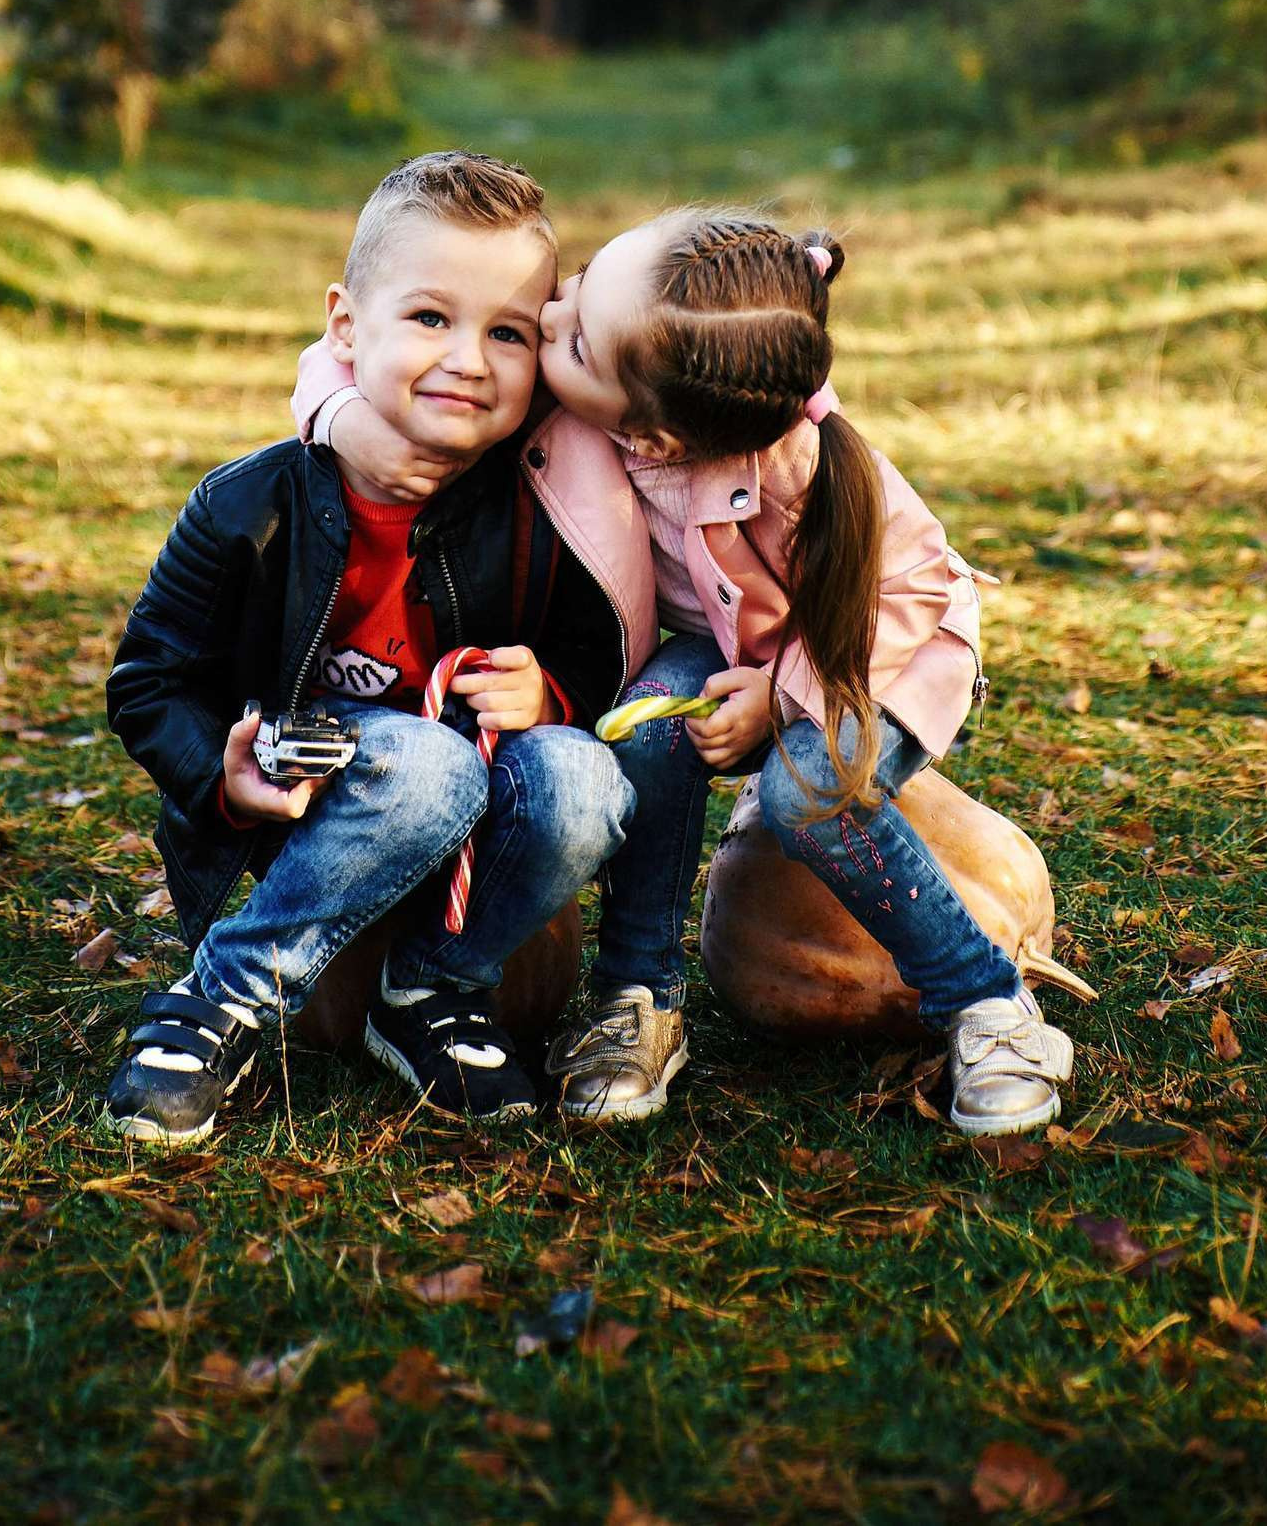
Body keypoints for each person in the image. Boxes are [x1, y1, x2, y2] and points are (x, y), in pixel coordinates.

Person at [294, 208, 1076, 1140]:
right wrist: (346, 424)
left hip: (874, 650)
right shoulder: (610, 369)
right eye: (581, 279)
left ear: (657, 441)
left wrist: (787, 693)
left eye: (574, 332)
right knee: (649, 729)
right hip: (735, 643)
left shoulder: (787, 456)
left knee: (806, 794)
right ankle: (639, 997)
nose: (552, 317)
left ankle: (986, 1004)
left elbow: (901, 594)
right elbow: (345, 351)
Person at [101, 151, 636, 1143]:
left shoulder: (540, 495)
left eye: (507, 331)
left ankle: (432, 986)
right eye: (429, 317)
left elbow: (591, 638)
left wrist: (553, 685)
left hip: (467, 804)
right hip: (316, 803)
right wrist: (215, 768)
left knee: (586, 781)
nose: (469, 358)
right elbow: (147, 681)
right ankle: (219, 997)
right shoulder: (250, 502)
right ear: (344, 325)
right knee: (424, 763)